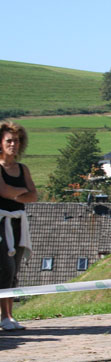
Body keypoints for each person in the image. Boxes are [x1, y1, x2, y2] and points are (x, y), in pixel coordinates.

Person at [0, 121, 37, 331]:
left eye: (17, 141)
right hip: (1, 221)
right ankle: (3, 315)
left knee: (15, 270)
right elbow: (4, 191)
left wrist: (18, 193)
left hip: (18, 222)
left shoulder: (23, 169)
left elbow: (33, 196)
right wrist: (21, 192)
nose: (13, 144)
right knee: (5, 266)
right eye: (9, 141)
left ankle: (10, 314)